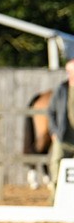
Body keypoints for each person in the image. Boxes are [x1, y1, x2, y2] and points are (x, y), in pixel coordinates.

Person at [46, 58, 74, 201]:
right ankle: (54, 197)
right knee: (56, 164)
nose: (71, 74)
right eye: (69, 71)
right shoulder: (61, 89)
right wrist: (54, 131)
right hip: (63, 136)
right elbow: (51, 111)